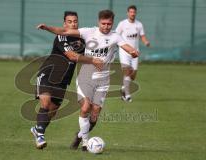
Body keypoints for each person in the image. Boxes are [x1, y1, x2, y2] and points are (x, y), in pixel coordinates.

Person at [37, 9, 139, 151]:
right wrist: (47, 28)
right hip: (86, 76)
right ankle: (85, 142)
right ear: (99, 22)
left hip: (103, 80)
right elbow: (64, 32)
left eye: (109, 24)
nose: (106, 26)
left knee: (95, 114)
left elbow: (126, 46)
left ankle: (80, 135)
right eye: (103, 23)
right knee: (86, 107)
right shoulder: (88, 32)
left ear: (112, 23)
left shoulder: (116, 36)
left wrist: (133, 51)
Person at [31, 11, 103, 150]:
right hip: (48, 74)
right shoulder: (61, 37)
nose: (73, 24)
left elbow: (93, 50)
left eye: (75, 21)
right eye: (69, 21)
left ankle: (37, 129)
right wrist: (93, 60)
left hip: (64, 80)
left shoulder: (82, 40)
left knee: (51, 112)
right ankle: (40, 136)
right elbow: (72, 55)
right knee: (45, 103)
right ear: (65, 24)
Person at [116, 5, 150, 102]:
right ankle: (127, 95)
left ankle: (123, 89)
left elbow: (142, 36)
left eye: (134, 12)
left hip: (135, 52)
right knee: (127, 71)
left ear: (136, 13)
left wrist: (146, 42)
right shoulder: (122, 24)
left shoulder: (139, 25)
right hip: (124, 52)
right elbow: (116, 34)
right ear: (128, 13)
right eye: (131, 12)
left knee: (133, 74)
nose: (132, 14)